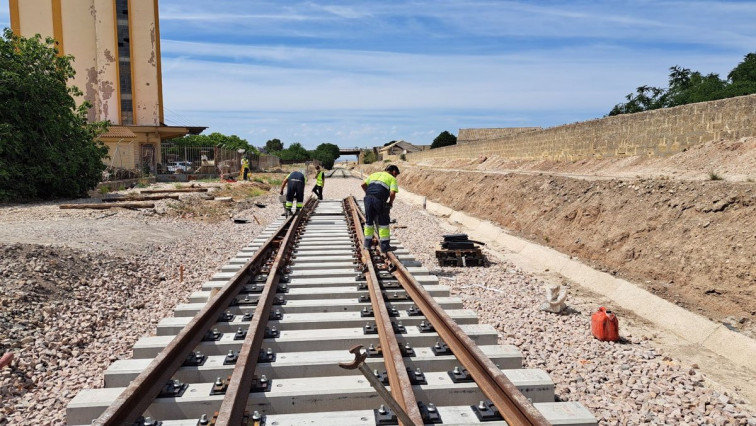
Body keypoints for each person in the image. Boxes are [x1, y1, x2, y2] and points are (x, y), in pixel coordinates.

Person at [361, 164, 400, 252]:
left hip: (368, 199)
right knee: (383, 223)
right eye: (396, 174)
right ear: (394, 172)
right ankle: (385, 247)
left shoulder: (374, 174)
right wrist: (390, 203)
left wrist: (369, 194)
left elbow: (363, 184)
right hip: (379, 200)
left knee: (369, 221)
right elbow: (392, 193)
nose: (396, 176)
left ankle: (367, 245)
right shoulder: (392, 178)